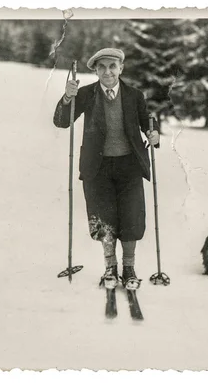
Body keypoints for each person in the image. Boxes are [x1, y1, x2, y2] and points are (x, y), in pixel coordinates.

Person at [53, 48, 160, 289]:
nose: (108, 71)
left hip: (129, 165)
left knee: (132, 216)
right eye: (102, 67)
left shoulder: (134, 95)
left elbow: (148, 124)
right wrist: (67, 98)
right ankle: (110, 268)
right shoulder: (86, 94)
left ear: (121, 68)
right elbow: (61, 121)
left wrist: (154, 134)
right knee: (104, 218)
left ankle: (129, 268)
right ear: (95, 71)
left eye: (112, 66)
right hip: (97, 166)